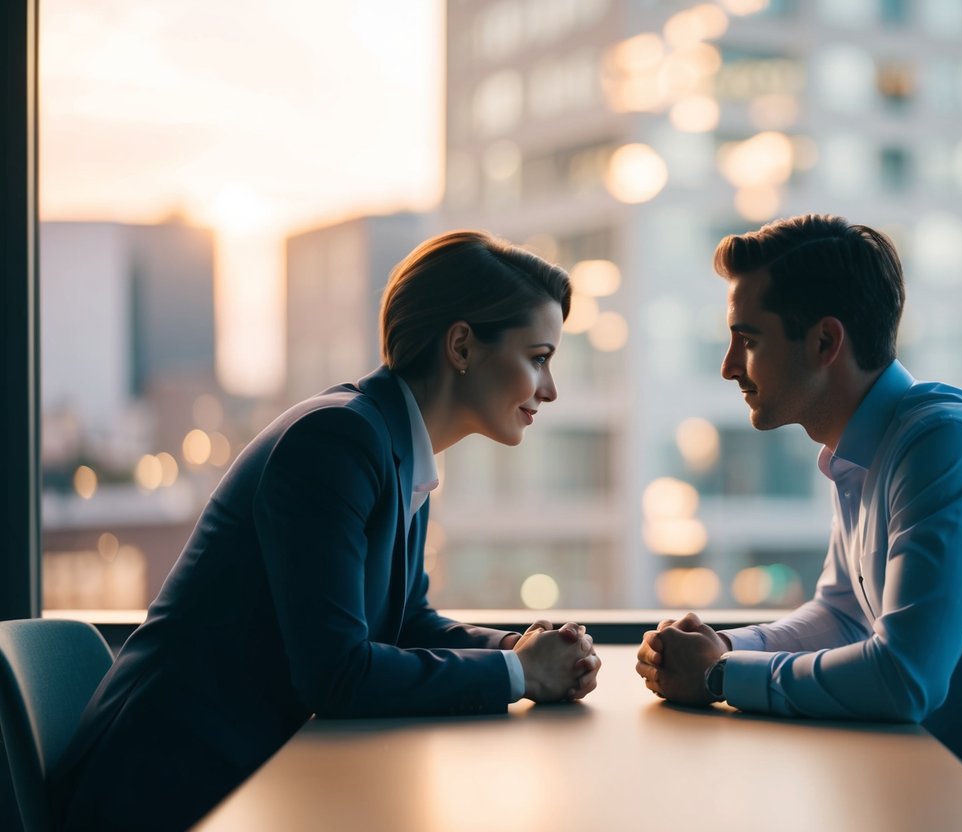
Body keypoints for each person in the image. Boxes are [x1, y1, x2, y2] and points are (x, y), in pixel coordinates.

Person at [53, 230, 601, 831]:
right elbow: (337, 675)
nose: (549, 389)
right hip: (161, 788)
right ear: (463, 346)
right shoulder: (337, 442)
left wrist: (516, 648)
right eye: (539, 358)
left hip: (239, 773)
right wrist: (522, 675)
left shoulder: (394, 447)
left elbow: (409, 622)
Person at [634, 214, 962, 832]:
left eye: (748, 340)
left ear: (825, 343)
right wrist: (727, 647)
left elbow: (905, 679)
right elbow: (839, 616)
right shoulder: (863, 452)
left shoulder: (942, 445)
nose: (729, 366)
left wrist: (721, 676)